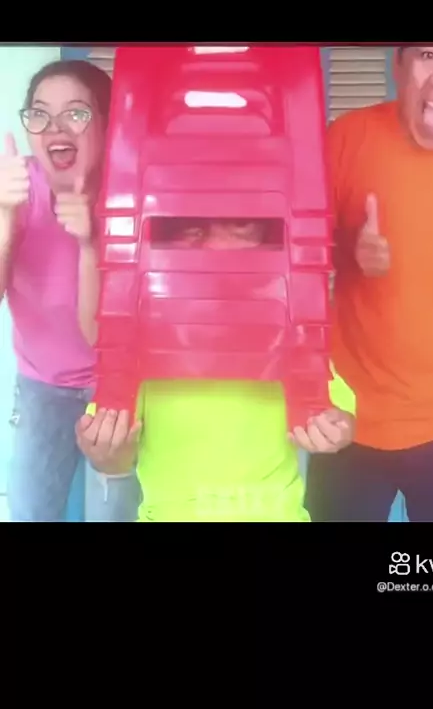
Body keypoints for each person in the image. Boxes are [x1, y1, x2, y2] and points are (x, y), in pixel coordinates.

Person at [77, 217, 355, 521]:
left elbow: (339, 415)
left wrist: (334, 430)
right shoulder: (140, 342)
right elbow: (114, 458)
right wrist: (105, 451)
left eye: (239, 224)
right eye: (196, 229)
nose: (217, 245)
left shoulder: (292, 334)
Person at [306, 44, 433, 522]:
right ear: (398, 66)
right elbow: (291, 255)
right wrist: (350, 251)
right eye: (428, 55)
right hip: (346, 416)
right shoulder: (348, 138)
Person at [0, 59, 141, 521]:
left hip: (119, 386)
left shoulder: (134, 193)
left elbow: (103, 333)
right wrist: (4, 219)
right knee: (30, 513)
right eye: (39, 114)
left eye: (76, 113)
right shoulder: (13, 188)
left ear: (108, 123)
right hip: (41, 386)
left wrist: (89, 242)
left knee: (116, 515)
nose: (55, 127)